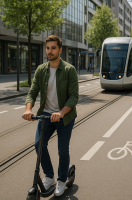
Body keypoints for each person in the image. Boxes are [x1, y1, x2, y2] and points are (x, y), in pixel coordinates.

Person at [23, 35, 79, 196]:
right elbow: (33, 92)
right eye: (48, 48)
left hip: (65, 116)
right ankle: (50, 176)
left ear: (60, 50)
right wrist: (28, 109)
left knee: (62, 150)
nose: (50, 51)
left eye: (53, 48)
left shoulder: (69, 70)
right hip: (46, 115)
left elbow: (74, 96)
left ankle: (62, 180)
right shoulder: (41, 70)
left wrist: (60, 113)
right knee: (38, 144)